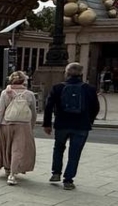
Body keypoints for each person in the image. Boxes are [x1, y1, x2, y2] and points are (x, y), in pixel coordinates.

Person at [42, 62, 100, 190]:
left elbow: (48, 106)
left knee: (58, 148)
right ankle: (68, 180)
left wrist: (47, 123)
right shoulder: (89, 89)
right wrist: (89, 121)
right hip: (81, 125)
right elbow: (95, 107)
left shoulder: (57, 88)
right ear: (81, 74)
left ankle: (56, 173)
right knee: (75, 153)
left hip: (62, 123)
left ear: (66, 73)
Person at [0, 71, 38, 185]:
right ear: (24, 81)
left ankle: (7, 168)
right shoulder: (30, 94)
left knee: (6, 147)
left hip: (6, 124)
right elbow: (33, 113)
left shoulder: (5, 93)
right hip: (23, 125)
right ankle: (12, 174)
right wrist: (31, 126)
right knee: (18, 150)